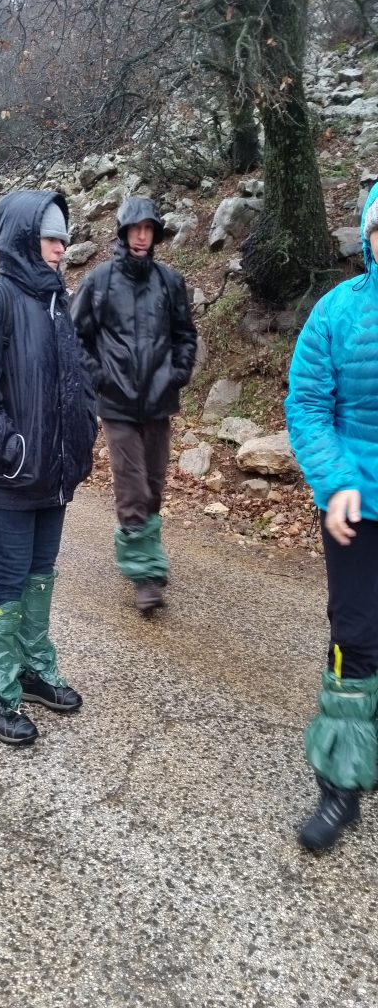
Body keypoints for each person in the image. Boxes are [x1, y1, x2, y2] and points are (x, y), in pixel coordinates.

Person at [0, 190, 97, 747]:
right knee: (10, 576)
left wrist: (82, 438)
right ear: (21, 239)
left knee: (41, 574)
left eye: (64, 239)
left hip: (51, 474)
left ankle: (33, 670)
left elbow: (79, 380)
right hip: (6, 477)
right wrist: (9, 452)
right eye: (50, 238)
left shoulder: (58, 302)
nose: (61, 249)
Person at [285, 181, 378, 851]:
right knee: (356, 635)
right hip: (357, 508)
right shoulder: (337, 313)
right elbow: (309, 406)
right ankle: (341, 782)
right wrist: (337, 480)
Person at [70, 196, 197, 612]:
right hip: (117, 404)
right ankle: (143, 574)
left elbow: (185, 334)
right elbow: (76, 336)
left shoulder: (169, 281)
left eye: (149, 230)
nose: (142, 237)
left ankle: (147, 553)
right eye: (135, 229)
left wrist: (177, 373)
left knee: (154, 486)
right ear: (123, 233)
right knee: (132, 486)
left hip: (159, 401)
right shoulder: (99, 281)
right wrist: (99, 377)